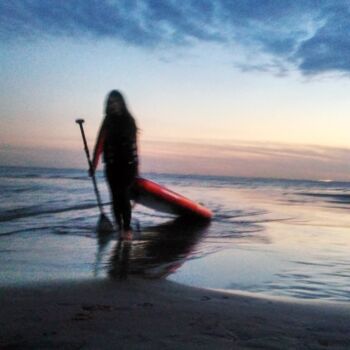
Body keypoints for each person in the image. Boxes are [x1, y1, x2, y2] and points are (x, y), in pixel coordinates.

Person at [90, 90, 138, 240]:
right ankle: (119, 227)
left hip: (128, 165)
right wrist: (94, 164)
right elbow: (99, 144)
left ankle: (127, 228)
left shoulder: (129, 120)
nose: (112, 105)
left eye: (115, 101)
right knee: (115, 198)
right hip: (111, 166)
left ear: (121, 103)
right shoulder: (107, 121)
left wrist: (137, 167)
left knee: (123, 196)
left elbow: (135, 146)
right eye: (110, 102)